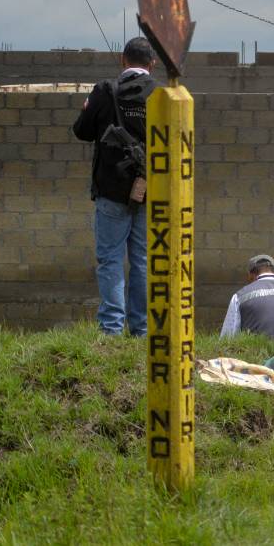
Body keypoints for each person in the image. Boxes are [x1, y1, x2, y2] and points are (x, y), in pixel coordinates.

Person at [72, 37, 157, 337]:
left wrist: (87, 110)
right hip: (150, 192)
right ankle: (141, 330)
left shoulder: (105, 91)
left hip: (110, 190)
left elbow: (81, 132)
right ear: (153, 64)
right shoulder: (161, 95)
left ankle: (110, 329)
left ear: (123, 60)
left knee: (109, 260)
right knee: (142, 261)